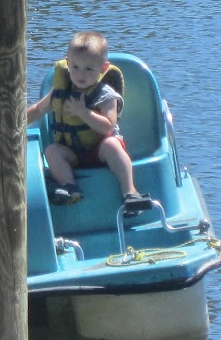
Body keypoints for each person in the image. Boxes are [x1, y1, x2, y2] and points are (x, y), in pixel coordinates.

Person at [26, 30, 152, 213]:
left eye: (89, 69)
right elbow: (39, 109)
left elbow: (108, 127)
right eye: (75, 67)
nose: (81, 74)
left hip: (100, 151)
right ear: (67, 64)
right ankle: (70, 187)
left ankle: (130, 192)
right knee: (52, 150)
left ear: (103, 68)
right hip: (73, 153)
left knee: (112, 145)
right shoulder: (61, 91)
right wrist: (14, 124)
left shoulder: (106, 94)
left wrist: (84, 113)